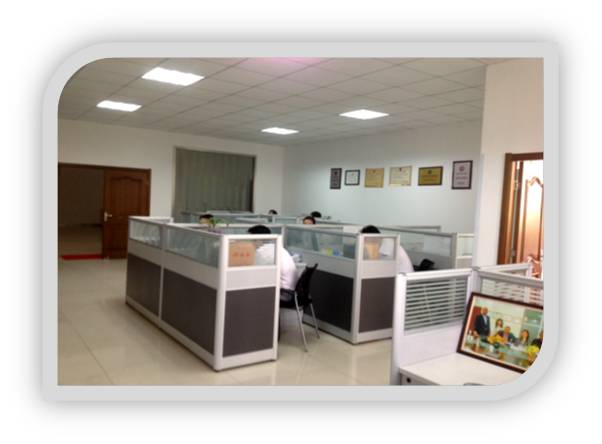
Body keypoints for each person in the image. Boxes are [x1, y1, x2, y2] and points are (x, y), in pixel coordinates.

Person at [247, 225, 298, 301]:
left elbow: (252, 273)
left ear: (258, 239)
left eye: (250, 240)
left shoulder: (261, 252)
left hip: (283, 293)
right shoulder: (277, 248)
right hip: (291, 291)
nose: (249, 243)